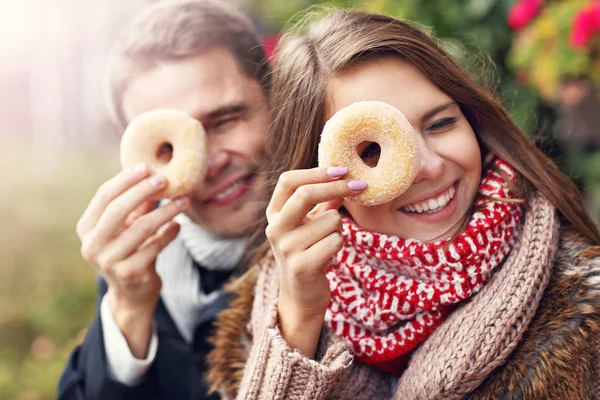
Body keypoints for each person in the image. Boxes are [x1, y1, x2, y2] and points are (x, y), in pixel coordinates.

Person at [206, 8, 600, 399]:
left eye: (441, 123)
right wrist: (298, 323)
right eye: (373, 149)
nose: (427, 166)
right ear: (315, 175)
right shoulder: (271, 318)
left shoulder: (584, 311)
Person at [58, 0, 270, 399]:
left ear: (275, 100)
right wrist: (129, 310)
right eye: (171, 148)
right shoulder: (137, 261)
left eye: (224, 120)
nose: (207, 164)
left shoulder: (365, 229)